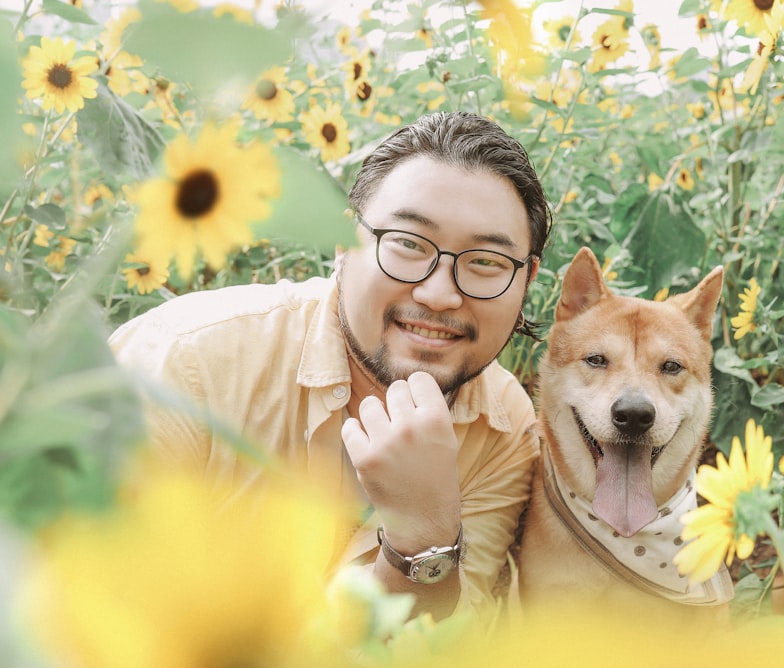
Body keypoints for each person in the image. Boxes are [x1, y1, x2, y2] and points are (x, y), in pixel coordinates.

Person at [109, 111, 552, 621]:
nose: (439, 293)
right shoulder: (185, 366)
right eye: (406, 244)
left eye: (486, 261)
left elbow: (433, 647)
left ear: (527, 280)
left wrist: (425, 537)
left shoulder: (501, 427)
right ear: (343, 245)